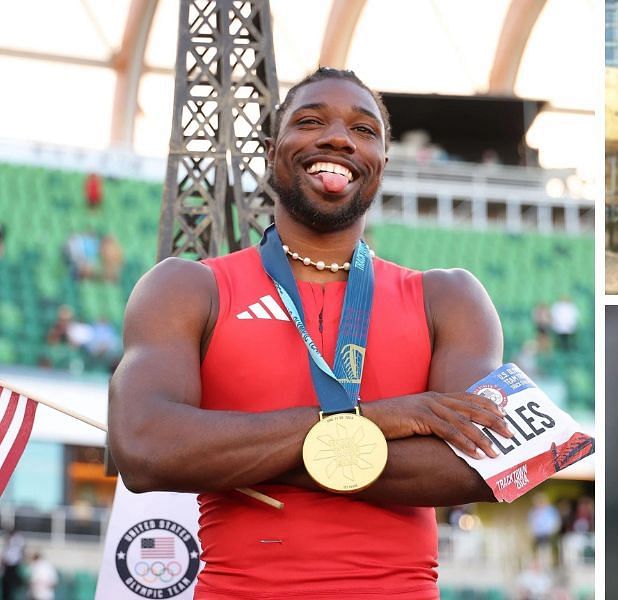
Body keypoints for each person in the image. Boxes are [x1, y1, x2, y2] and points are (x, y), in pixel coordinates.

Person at [109, 67, 518, 599]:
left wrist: (245, 457)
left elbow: (485, 466)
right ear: (272, 147)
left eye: (364, 131)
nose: (338, 138)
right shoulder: (187, 288)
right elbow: (145, 450)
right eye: (310, 121)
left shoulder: (449, 298)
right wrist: (378, 419)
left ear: (382, 165)